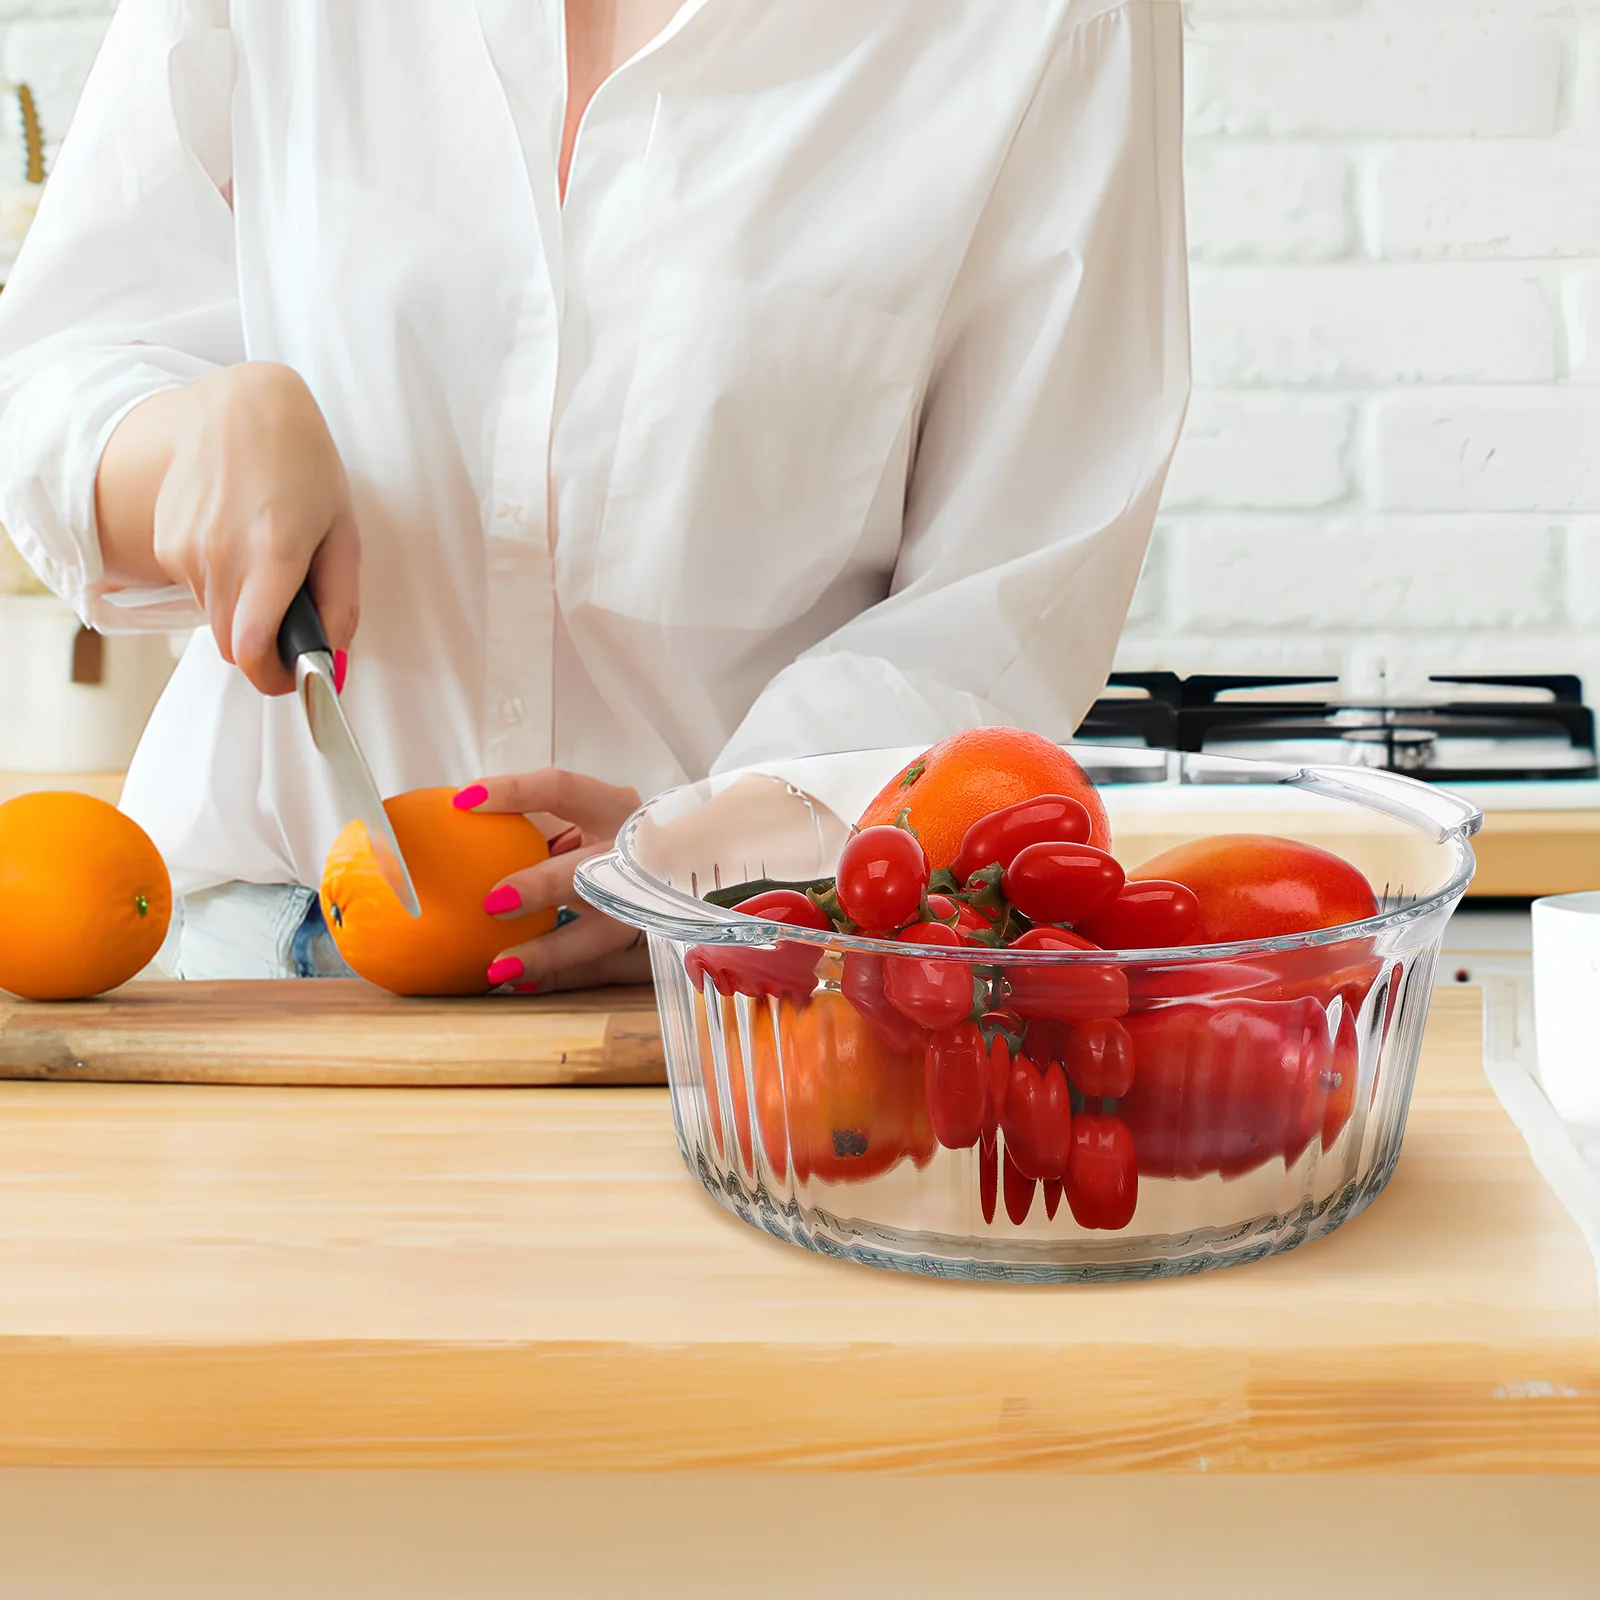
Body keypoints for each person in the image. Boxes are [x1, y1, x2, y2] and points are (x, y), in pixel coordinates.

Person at [0, 0, 1189, 989]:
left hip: (728, 1004)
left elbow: (1015, 587)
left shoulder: (1042, 22)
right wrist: (189, 436)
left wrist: (719, 846)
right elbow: (59, 371)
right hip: (232, 965)